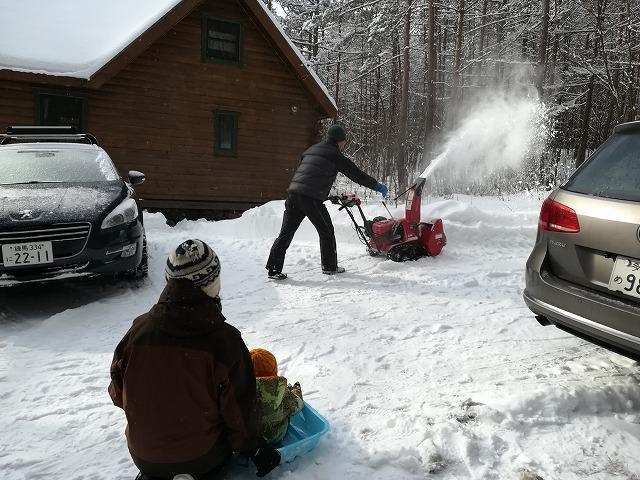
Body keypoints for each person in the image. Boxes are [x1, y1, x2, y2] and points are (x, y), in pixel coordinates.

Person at [108, 239, 281, 480]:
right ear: (211, 284)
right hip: (203, 458)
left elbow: (118, 393)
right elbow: (239, 412)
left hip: (144, 456)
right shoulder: (224, 340)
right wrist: (257, 448)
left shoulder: (138, 331)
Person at [266, 124, 388, 280]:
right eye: (344, 142)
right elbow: (356, 174)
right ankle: (330, 267)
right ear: (339, 141)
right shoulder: (335, 155)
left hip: (293, 195)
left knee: (285, 233)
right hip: (310, 199)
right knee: (327, 232)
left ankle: (273, 269)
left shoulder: (310, 150)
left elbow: (311, 174)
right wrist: (376, 185)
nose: (344, 145)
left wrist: (327, 194)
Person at [250, 348, 304, 445]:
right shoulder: (281, 392)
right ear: (274, 371)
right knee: (287, 410)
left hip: (248, 440)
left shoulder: (239, 391)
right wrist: (296, 392)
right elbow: (297, 405)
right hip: (274, 436)